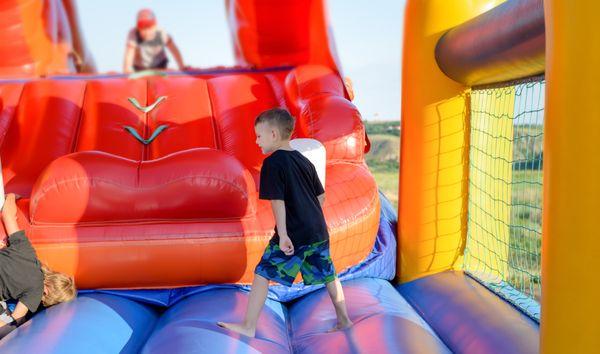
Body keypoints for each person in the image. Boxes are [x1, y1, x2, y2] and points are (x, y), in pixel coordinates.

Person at [217, 108, 353, 337]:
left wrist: (284, 234)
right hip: (318, 230)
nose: (256, 141)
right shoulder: (304, 161)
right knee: (329, 274)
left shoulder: (273, 163)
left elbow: (277, 201)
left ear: (273, 134)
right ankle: (344, 320)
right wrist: (309, 217)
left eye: (259, 136)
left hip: (294, 232)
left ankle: (249, 326)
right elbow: (321, 197)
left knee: (262, 272)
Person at [0, 194, 77, 338]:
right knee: (10, 326)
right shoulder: (36, 293)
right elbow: (16, 319)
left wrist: (11, 196)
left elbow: (7, 214)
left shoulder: (28, 252)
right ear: (47, 293)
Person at [123, 9, 186, 73]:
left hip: (159, 64)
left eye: (149, 27)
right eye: (142, 27)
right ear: (138, 28)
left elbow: (174, 49)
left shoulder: (161, 33)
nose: (146, 31)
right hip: (139, 66)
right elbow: (129, 53)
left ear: (155, 26)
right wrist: (127, 68)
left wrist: (181, 65)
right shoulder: (133, 33)